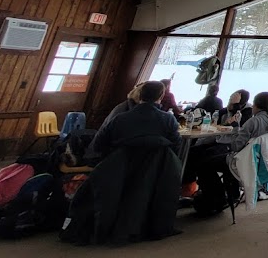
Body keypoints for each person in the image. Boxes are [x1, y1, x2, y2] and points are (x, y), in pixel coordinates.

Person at [64, 81, 182, 245]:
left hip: (119, 172)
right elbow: (175, 146)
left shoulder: (120, 119)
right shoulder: (167, 120)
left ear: (139, 95)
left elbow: (99, 145)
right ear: (161, 97)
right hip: (156, 175)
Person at [195, 92, 268, 214]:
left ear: (255, 105)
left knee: (203, 163)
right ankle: (231, 194)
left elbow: (236, 146)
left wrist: (236, 127)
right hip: (265, 162)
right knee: (214, 158)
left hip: (244, 162)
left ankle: (216, 199)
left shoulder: (253, 122)